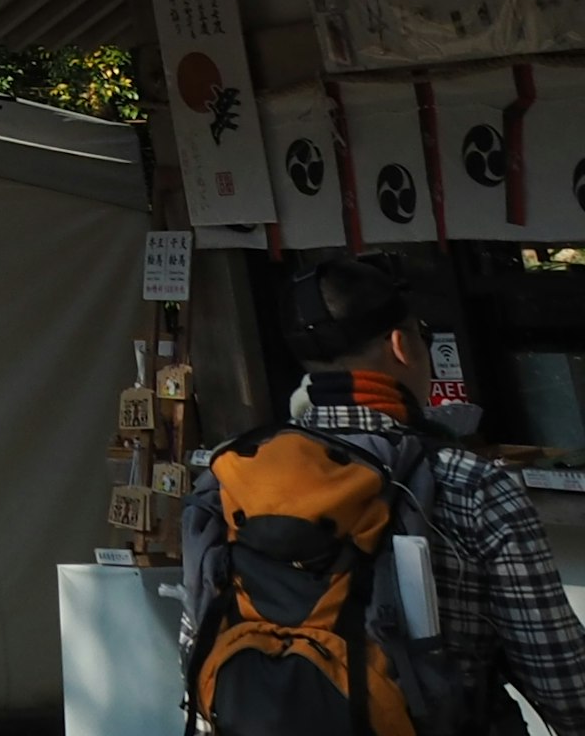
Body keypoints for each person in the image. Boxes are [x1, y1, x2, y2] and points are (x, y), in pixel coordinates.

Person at [191, 255, 585, 734]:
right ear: (401, 345)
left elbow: (198, 650)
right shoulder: (467, 481)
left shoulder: (232, 477)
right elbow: (565, 685)